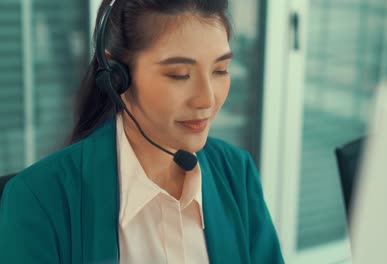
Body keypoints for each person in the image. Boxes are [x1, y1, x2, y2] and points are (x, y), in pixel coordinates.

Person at [0, 0, 284, 263]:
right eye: (179, 75)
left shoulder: (237, 173)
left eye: (220, 69)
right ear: (116, 76)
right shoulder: (37, 200)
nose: (207, 99)